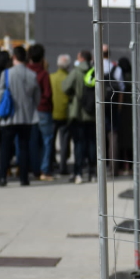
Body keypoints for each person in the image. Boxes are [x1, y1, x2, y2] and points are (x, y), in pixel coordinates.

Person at [0, 45, 39, 187]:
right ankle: (24, 178)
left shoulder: (7, 74)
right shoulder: (32, 75)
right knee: (24, 148)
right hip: (27, 117)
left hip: (9, 116)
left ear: (14, 57)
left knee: (6, 148)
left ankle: (2, 177)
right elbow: (37, 97)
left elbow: (0, 95)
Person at [62, 50, 95, 184]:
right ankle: (93, 173)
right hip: (92, 114)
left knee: (79, 144)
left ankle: (78, 173)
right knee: (92, 144)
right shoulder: (95, 72)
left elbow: (65, 87)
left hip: (78, 113)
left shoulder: (75, 73)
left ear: (80, 58)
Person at [27, 44, 54, 180]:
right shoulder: (43, 74)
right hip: (43, 110)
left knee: (32, 141)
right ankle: (44, 169)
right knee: (47, 141)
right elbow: (48, 94)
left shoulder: (26, 71)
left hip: (29, 111)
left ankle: (35, 168)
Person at [102, 44, 124, 175]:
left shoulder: (95, 67)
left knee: (98, 137)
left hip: (99, 107)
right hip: (113, 106)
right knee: (113, 137)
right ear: (109, 54)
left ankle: (99, 167)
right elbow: (121, 89)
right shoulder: (116, 69)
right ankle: (113, 168)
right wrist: (119, 106)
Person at [50, 54, 72, 175]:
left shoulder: (51, 77)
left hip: (52, 113)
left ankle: (51, 164)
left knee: (51, 141)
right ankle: (63, 166)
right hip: (65, 114)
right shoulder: (69, 78)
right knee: (64, 142)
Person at [116, 56, 133, 174]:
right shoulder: (132, 77)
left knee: (121, 141)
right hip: (131, 112)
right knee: (130, 141)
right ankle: (131, 167)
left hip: (121, 112)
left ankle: (122, 166)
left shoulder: (120, 77)